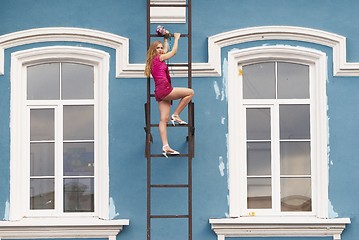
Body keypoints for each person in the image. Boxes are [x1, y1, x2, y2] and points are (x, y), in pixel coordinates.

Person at [144, 32, 194, 158]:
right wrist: (176, 39)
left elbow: (166, 50)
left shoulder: (153, 60)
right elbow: (173, 53)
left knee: (163, 120)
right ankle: (176, 114)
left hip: (159, 92)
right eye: (158, 48)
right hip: (165, 89)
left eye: (161, 48)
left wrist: (165, 39)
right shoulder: (158, 58)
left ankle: (165, 146)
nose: (160, 50)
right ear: (153, 50)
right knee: (190, 92)